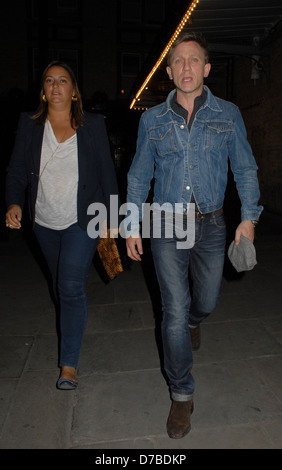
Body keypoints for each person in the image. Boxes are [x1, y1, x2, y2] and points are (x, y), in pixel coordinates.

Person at [126, 33, 263, 438]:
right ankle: (182, 394)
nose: (186, 67)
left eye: (194, 60)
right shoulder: (151, 120)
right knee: (173, 310)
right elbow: (138, 176)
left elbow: (246, 168)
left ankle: (194, 321)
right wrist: (132, 223)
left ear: (205, 68)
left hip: (213, 224)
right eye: (178, 61)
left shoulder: (228, 114)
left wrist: (249, 217)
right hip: (166, 223)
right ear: (169, 73)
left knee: (205, 300)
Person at [5, 61, 119, 390]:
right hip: (42, 222)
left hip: (82, 221)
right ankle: (73, 316)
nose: (56, 86)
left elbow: (107, 176)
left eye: (63, 81)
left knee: (69, 286)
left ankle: (68, 364)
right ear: (43, 90)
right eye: (50, 81)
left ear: (73, 91)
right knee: (59, 284)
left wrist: (111, 219)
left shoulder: (93, 125)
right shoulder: (28, 125)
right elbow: (15, 171)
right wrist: (13, 202)